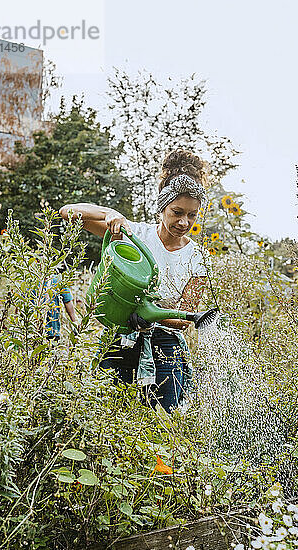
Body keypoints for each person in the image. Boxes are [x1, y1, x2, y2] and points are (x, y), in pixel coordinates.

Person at [59, 149, 209, 410]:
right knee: (104, 415)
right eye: (177, 212)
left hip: (165, 349)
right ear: (163, 207)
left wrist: (148, 314)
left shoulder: (199, 257)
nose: (184, 222)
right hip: (119, 339)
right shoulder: (134, 234)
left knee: (162, 423)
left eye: (192, 215)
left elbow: (183, 318)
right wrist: (109, 213)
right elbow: (67, 213)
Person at [45, 274, 77, 342]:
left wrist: (74, 323)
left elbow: (67, 302)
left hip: (51, 330)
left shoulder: (57, 280)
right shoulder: (31, 280)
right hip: (38, 329)